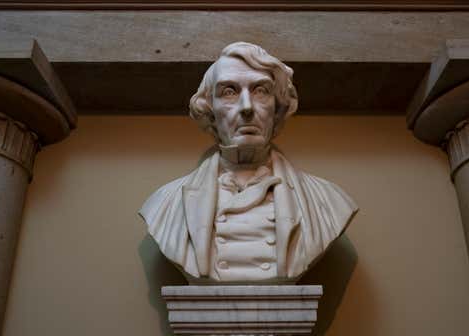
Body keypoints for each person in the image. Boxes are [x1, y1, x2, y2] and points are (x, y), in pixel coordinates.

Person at [140, 42, 357, 283]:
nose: (246, 107)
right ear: (210, 111)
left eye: (261, 91)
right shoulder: (166, 202)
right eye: (229, 92)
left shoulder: (327, 201)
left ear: (278, 109)